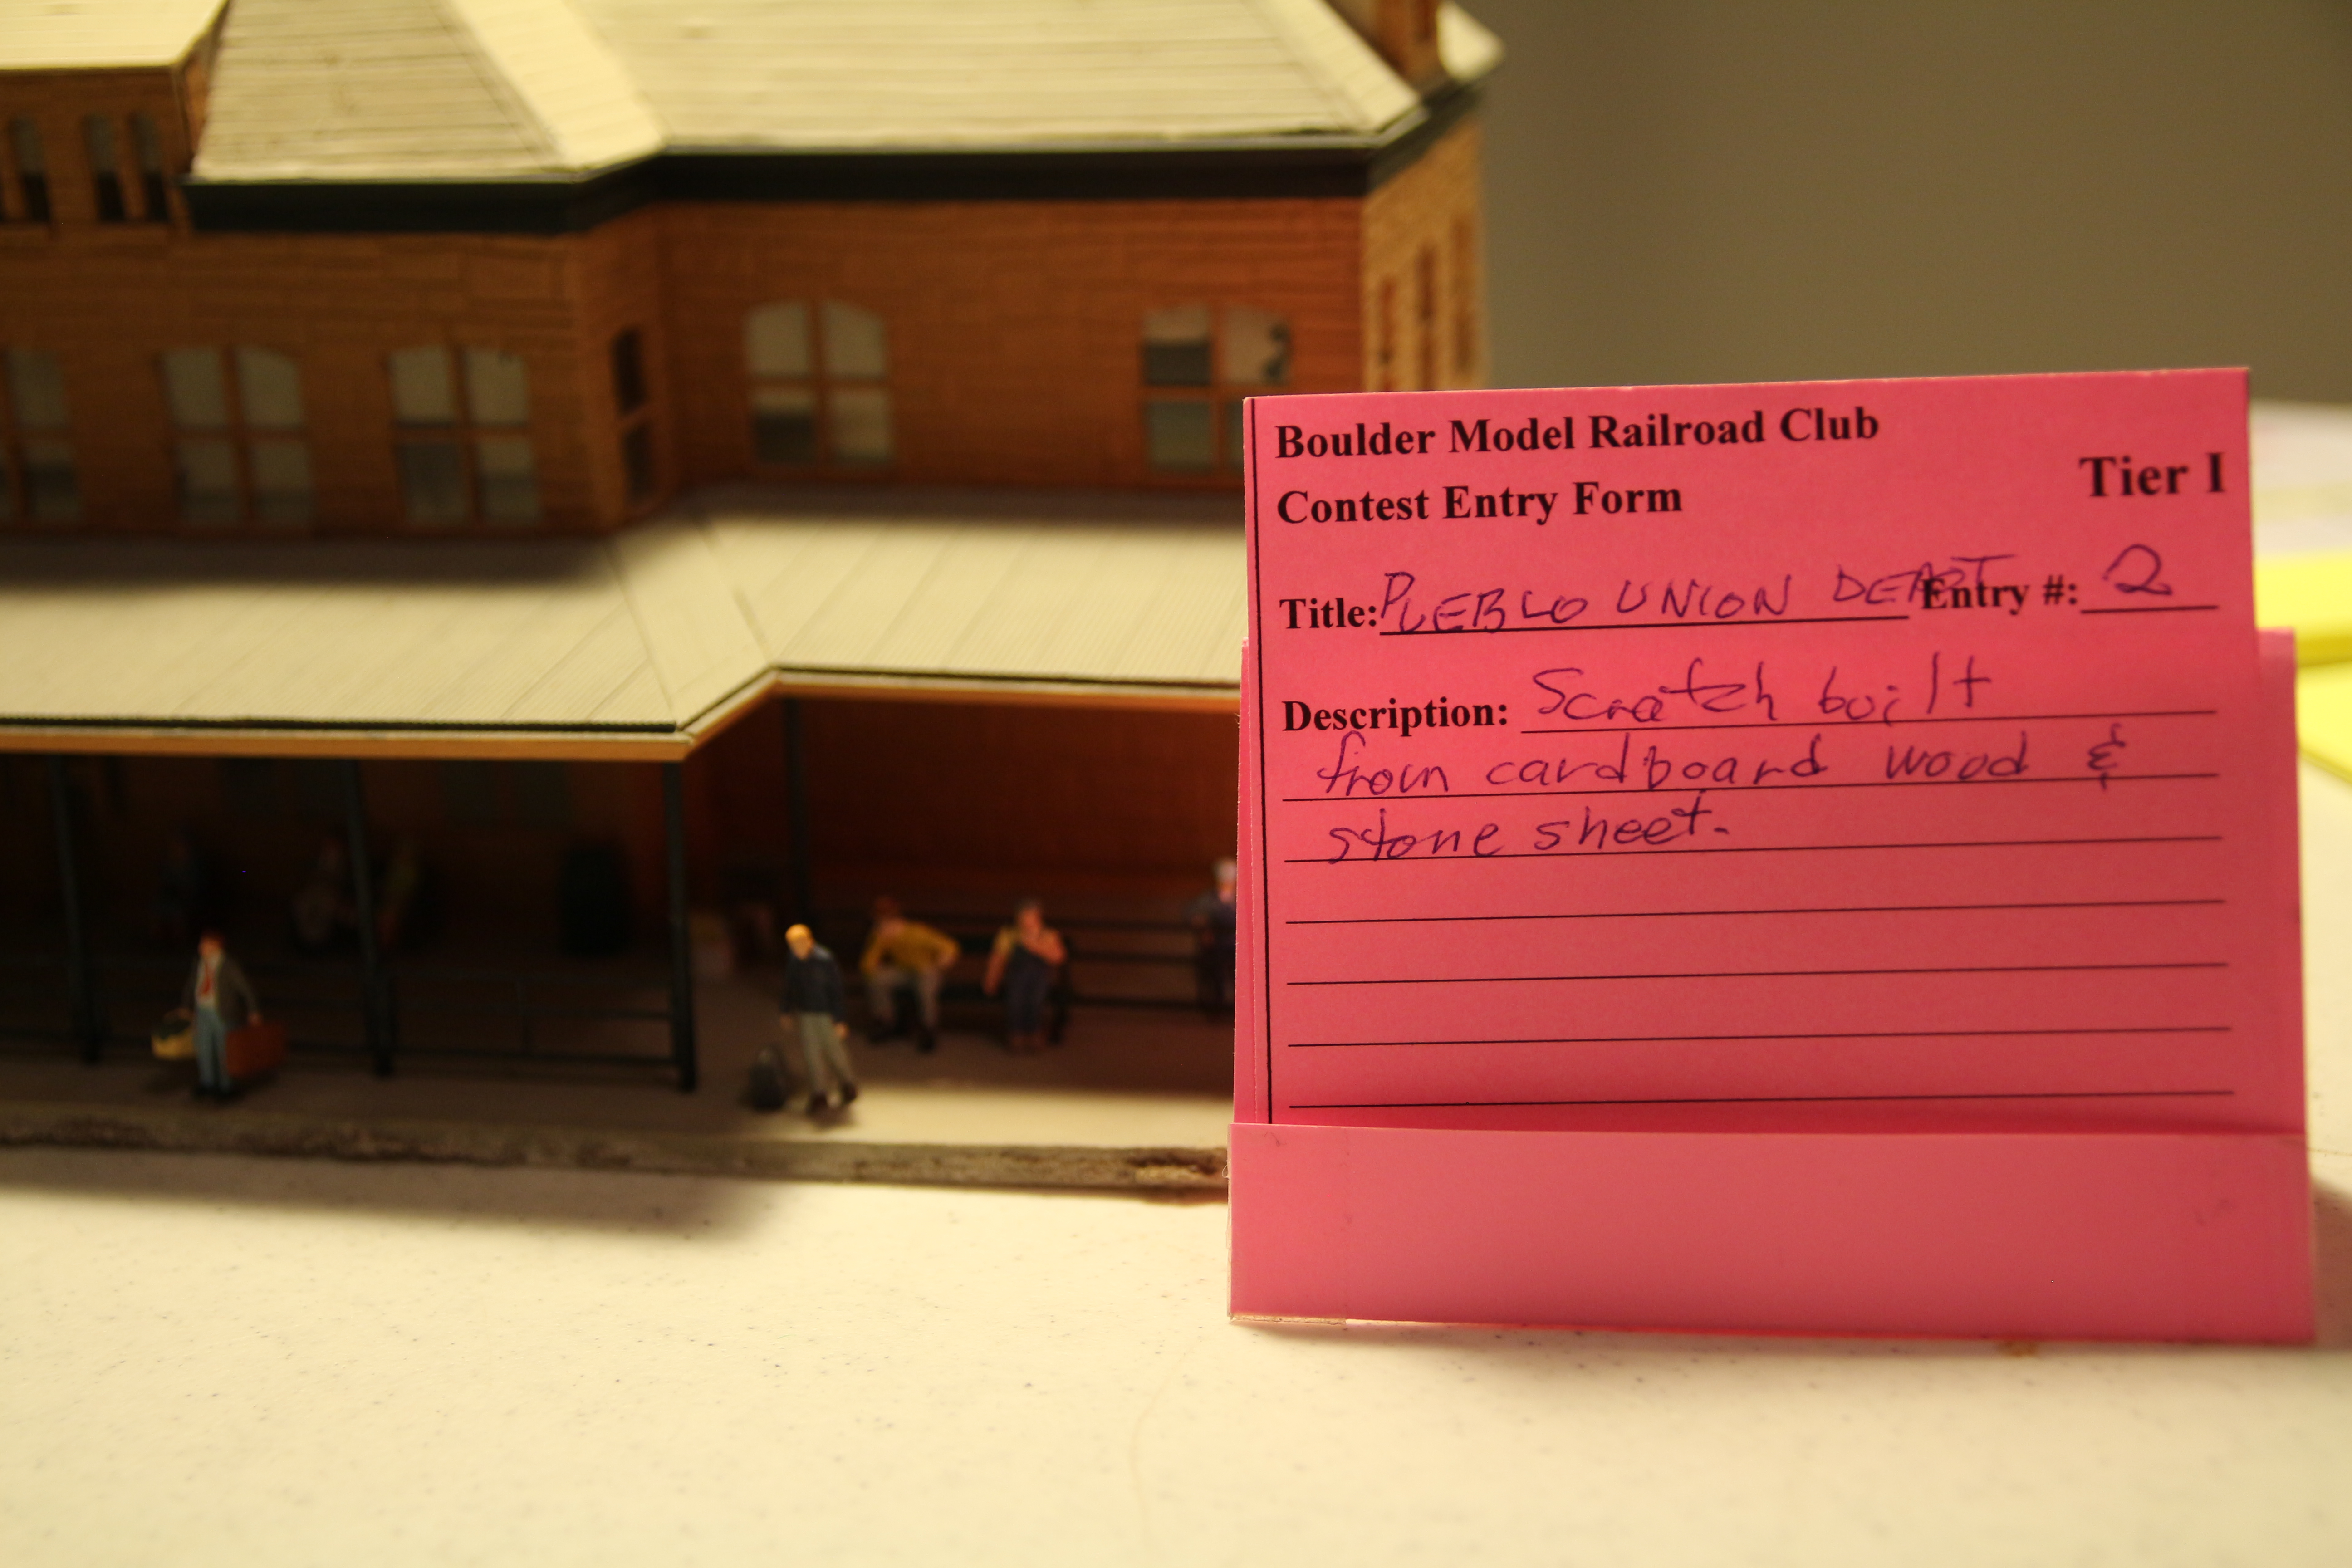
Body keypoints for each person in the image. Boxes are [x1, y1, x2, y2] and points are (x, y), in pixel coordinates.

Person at [859, 896, 961, 1053]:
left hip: (925, 971)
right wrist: (879, 942)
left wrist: (942, 961)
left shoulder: (917, 932)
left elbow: (949, 947)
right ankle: (886, 1021)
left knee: (926, 990)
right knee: (877, 979)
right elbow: (868, 965)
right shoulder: (881, 936)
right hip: (904, 972)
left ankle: (928, 1028)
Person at [780, 922, 857, 1116]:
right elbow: (790, 985)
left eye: (799, 944)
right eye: (792, 945)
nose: (796, 949)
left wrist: (839, 1019)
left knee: (834, 1051)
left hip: (826, 1013)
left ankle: (847, 1083)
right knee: (811, 1054)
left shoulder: (824, 960)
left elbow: (836, 990)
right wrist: (786, 1009)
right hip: (806, 1013)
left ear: (809, 941)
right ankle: (819, 1093)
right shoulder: (794, 961)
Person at [181, 931, 260, 1102]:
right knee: (204, 1048)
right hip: (203, 1011)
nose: (201, 948)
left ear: (216, 946)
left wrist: (253, 1010)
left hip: (222, 1013)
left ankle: (227, 1086)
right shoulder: (200, 963)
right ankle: (207, 1082)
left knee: (225, 1051)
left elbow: (245, 988)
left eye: (205, 944)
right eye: (202, 944)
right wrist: (187, 1006)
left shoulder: (228, 966)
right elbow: (192, 983)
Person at [983, 898, 1066, 1055]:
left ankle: (1034, 1033)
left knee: (1035, 1003)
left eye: (1030, 916)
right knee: (1015, 1003)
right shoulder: (1009, 935)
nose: (1026, 921)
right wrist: (992, 979)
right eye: (1023, 916)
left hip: (1039, 978)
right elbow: (998, 958)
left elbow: (1058, 957)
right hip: (1017, 977)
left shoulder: (1047, 935)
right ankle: (1016, 1035)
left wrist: (1035, 946)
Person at [1186, 857, 1239, 1015]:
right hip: (1217, 946)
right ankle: (1216, 1007)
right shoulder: (1209, 899)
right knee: (1215, 977)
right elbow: (1193, 914)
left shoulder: (1242, 898)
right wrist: (1203, 926)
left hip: (1238, 946)